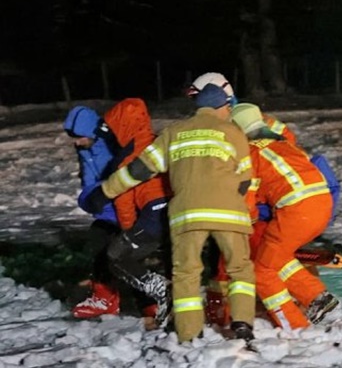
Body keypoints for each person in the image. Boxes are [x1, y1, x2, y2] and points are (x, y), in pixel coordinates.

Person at [83, 83, 256, 343]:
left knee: (185, 273)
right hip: (229, 214)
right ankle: (242, 325)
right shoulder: (233, 132)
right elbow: (244, 179)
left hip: (186, 215)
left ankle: (189, 335)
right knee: (240, 269)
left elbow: (137, 172)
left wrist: (104, 193)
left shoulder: (174, 132)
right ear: (222, 107)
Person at [230, 102, 340, 330]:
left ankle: (293, 324)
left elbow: (248, 199)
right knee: (274, 257)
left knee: (261, 270)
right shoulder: (285, 144)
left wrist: (246, 224)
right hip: (322, 205)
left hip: (296, 211)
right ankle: (316, 296)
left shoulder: (251, 153)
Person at [101, 97, 173, 328]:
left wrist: (129, 231)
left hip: (154, 214)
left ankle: (162, 290)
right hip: (181, 208)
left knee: (116, 255)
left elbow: (124, 203)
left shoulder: (126, 157)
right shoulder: (161, 141)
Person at [63, 106, 121, 318]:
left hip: (124, 207)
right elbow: (89, 182)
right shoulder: (86, 150)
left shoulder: (114, 145)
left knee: (125, 252)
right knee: (98, 239)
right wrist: (90, 200)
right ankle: (104, 296)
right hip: (107, 209)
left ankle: (148, 302)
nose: (76, 143)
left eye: (79, 137)